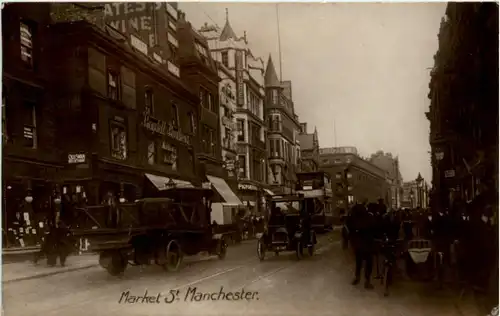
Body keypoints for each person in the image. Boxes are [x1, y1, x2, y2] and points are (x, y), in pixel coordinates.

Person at [347, 199, 376, 289]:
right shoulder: (369, 217)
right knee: (368, 262)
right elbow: (374, 228)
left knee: (359, 261)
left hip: (358, 243)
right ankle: (367, 280)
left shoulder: (353, 218)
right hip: (367, 243)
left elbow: (349, 229)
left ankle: (357, 277)